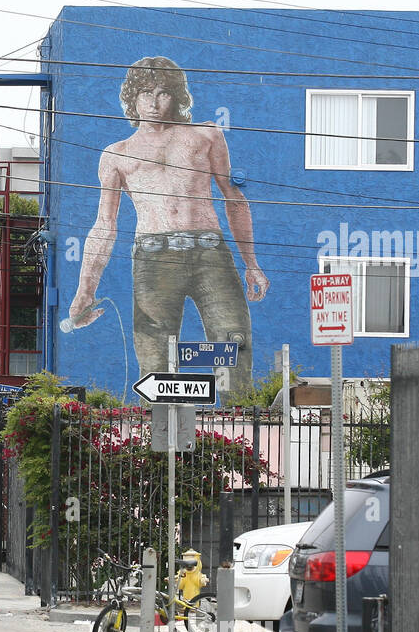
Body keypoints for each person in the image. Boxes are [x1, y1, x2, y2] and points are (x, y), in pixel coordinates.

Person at [66, 56, 268, 398]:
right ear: (132, 97)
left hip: (209, 253)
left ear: (176, 97)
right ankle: (161, 448)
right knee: (154, 362)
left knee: (234, 348)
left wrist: (252, 264)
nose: (154, 101)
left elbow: (233, 198)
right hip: (153, 259)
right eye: (145, 92)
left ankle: (243, 443)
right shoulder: (117, 155)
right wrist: (85, 288)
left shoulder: (205, 135)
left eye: (163, 92)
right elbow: (104, 225)